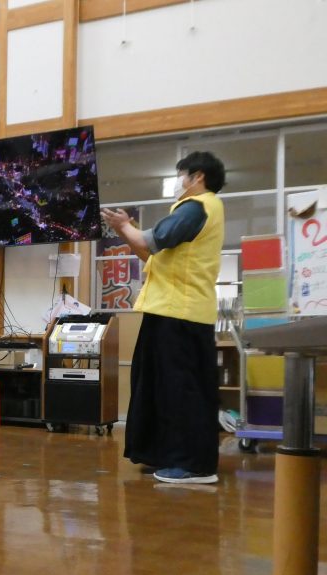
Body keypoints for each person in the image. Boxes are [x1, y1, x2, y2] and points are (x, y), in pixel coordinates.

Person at [101, 151, 225, 484]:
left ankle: (192, 465)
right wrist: (124, 230)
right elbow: (150, 254)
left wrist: (125, 225)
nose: (179, 182)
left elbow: (150, 240)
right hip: (170, 311)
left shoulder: (197, 207)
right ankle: (163, 454)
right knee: (158, 385)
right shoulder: (200, 210)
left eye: (182, 175)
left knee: (180, 389)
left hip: (180, 313)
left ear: (198, 177)